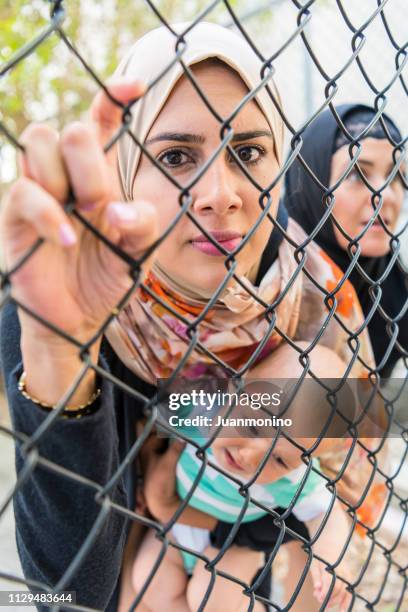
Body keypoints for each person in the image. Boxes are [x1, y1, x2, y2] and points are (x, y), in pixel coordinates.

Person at [0, 22, 374, 611]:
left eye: (248, 151)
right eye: (175, 156)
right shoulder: (61, 302)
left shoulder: (318, 295)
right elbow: (70, 595)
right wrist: (58, 360)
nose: (218, 194)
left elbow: (358, 463)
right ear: (125, 170)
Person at [132, 345, 353, 612]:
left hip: (233, 546)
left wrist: (331, 559)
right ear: (236, 385)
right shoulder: (196, 409)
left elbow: (326, 514)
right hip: (177, 533)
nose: (251, 456)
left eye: (280, 460)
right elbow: (145, 427)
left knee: (210, 599)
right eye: (252, 426)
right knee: (148, 581)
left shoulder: (292, 479)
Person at [285, 104, 407, 378]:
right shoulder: (272, 285)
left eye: (396, 175)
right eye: (356, 173)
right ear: (313, 184)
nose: (385, 194)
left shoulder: (394, 280)